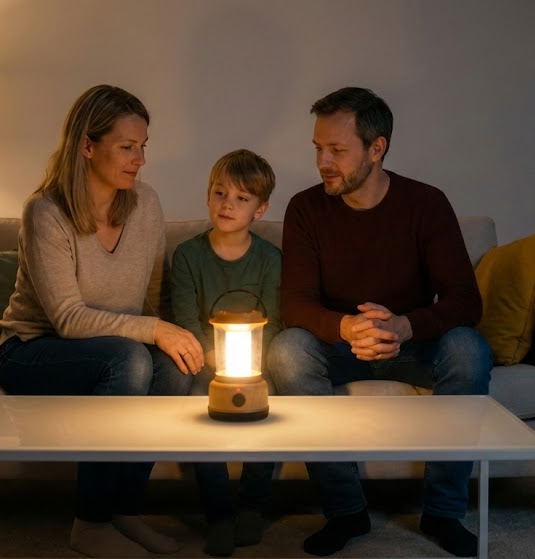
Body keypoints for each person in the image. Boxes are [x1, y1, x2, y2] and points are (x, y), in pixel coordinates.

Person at [265, 87, 492, 558]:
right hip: (341, 346)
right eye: (318, 149)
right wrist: (349, 328)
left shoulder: (426, 204)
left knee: (469, 347)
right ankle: (345, 511)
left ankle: (444, 512)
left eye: (337, 151)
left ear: (377, 148)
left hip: (413, 345)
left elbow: (465, 301)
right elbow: (297, 304)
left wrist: (405, 326)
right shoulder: (306, 208)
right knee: (287, 349)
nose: (323, 161)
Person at [0, 84, 204, 557]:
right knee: (129, 359)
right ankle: (90, 523)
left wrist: (182, 338)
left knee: (174, 366)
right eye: (127, 147)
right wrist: (154, 332)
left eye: (143, 146)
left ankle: (125, 513)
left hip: (114, 349)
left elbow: (155, 299)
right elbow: (68, 319)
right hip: (33, 351)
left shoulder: (145, 203)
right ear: (87, 146)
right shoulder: (45, 211)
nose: (140, 159)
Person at [170, 149, 282, 556]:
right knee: (201, 403)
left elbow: (276, 324)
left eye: (241, 198)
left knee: (268, 404)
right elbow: (185, 322)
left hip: (254, 361)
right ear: (207, 196)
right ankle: (219, 512)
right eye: (219, 193)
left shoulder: (271, 260)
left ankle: (253, 504)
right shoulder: (187, 256)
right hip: (207, 360)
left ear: (260, 208)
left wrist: (251, 365)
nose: (227, 205)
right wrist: (215, 359)